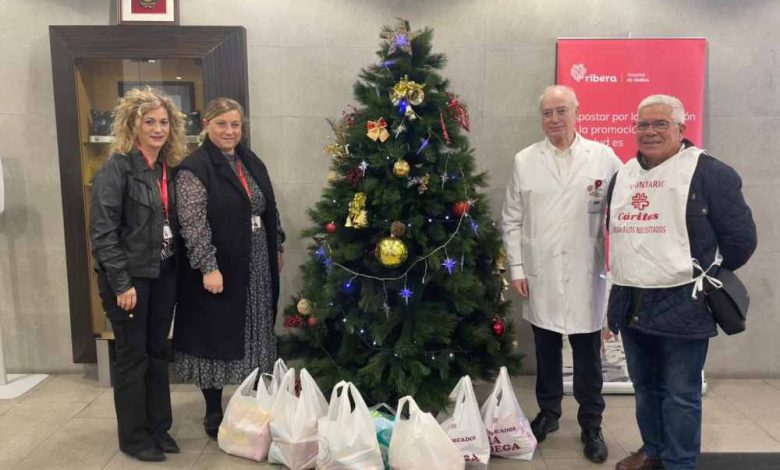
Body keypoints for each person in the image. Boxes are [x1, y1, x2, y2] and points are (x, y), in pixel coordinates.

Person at [607, 95, 757, 470]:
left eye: (661, 123)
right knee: (644, 387)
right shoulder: (623, 176)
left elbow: (741, 241)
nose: (650, 132)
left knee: (680, 392)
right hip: (632, 300)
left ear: (680, 128)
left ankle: (680, 462)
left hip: (684, 302)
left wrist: (702, 274)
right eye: (643, 124)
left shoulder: (710, 174)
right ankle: (654, 450)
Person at [501, 85, 622, 464]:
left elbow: (622, 214)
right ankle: (549, 412)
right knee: (547, 348)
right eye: (547, 113)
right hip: (541, 272)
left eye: (561, 111)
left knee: (587, 353)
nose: (554, 119)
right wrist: (517, 268)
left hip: (587, 271)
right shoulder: (525, 160)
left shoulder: (603, 157)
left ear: (576, 112)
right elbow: (512, 219)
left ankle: (591, 423)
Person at [173, 97, 285, 438]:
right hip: (219, 264)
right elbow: (192, 223)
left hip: (256, 258)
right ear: (206, 125)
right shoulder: (194, 168)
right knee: (215, 333)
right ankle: (213, 408)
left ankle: (255, 401)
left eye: (235, 124)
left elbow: (269, 206)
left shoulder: (250, 160)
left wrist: (277, 244)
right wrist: (208, 265)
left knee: (255, 328)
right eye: (221, 124)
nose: (229, 131)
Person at [90, 87, 188, 462]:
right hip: (129, 279)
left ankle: (159, 429)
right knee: (133, 358)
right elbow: (103, 233)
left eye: (164, 122)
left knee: (157, 353)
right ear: (133, 124)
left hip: (163, 274)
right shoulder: (116, 169)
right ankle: (134, 437)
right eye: (149, 122)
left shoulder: (167, 169)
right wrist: (121, 283)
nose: (158, 129)